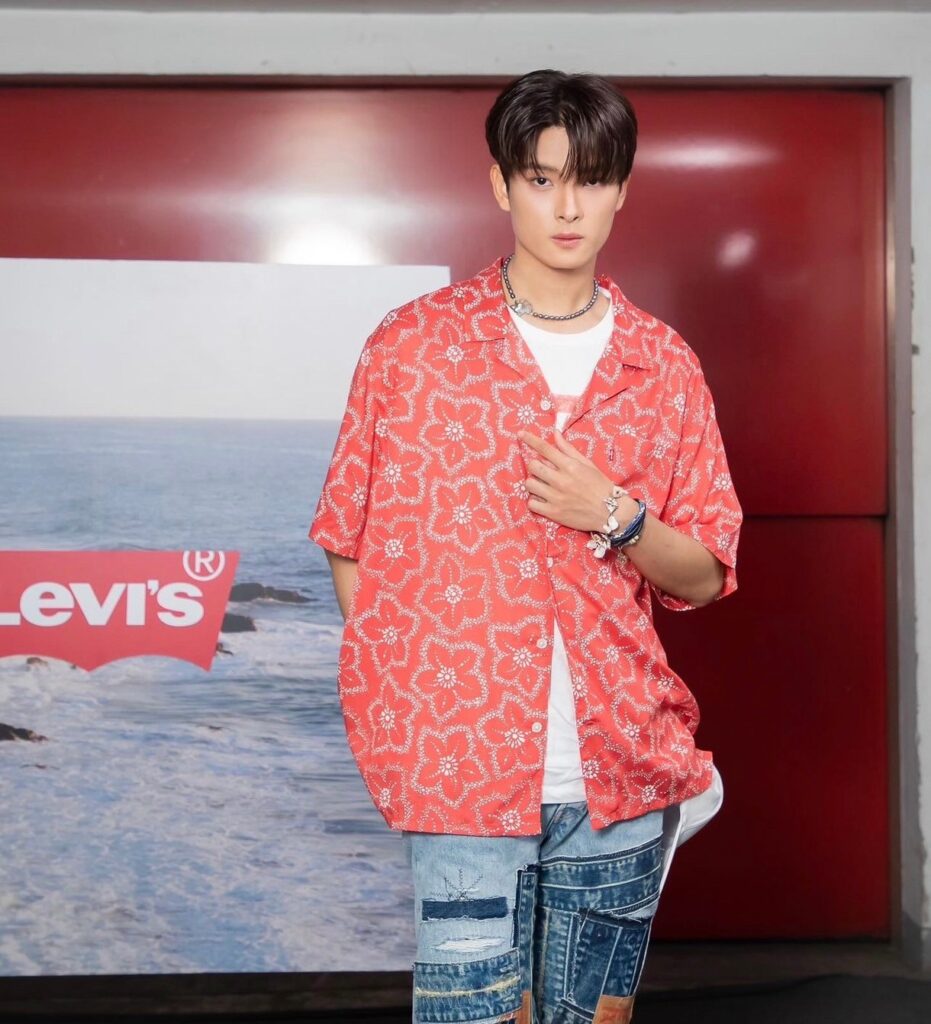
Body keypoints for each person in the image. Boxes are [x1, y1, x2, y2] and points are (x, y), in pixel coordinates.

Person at [309, 68, 743, 1024]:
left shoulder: (662, 365)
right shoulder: (412, 348)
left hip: (619, 774)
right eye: (542, 179)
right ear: (501, 186)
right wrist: (417, 697)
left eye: (590, 179)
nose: (567, 207)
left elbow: (707, 572)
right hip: (461, 775)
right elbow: (350, 536)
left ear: (622, 189)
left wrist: (614, 513)